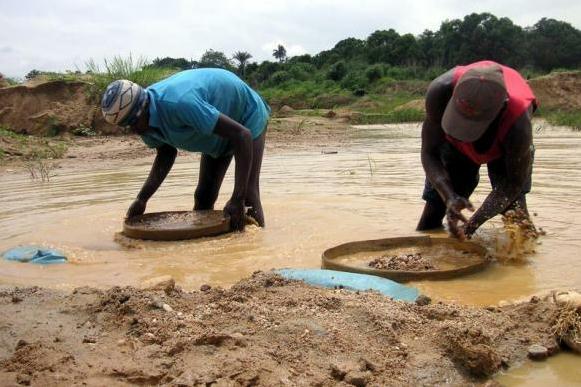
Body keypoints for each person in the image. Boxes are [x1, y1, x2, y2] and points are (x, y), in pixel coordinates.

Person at [101, 68, 270, 231]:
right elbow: (166, 154)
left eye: (133, 123)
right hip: (216, 129)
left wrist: (237, 198)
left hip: (245, 114)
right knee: (204, 195)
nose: (133, 131)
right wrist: (142, 199)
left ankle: (258, 251)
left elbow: (242, 135)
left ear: (142, 109)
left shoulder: (180, 103)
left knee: (247, 196)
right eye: (127, 126)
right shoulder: (143, 123)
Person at [417, 60, 537, 239]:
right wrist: (449, 196)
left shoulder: (518, 124)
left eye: (472, 125)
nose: (464, 132)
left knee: (516, 217)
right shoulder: (440, 91)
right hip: (453, 147)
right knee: (435, 210)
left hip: (504, 149)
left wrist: (473, 224)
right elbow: (429, 153)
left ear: (500, 109)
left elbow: (512, 183)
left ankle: (524, 263)